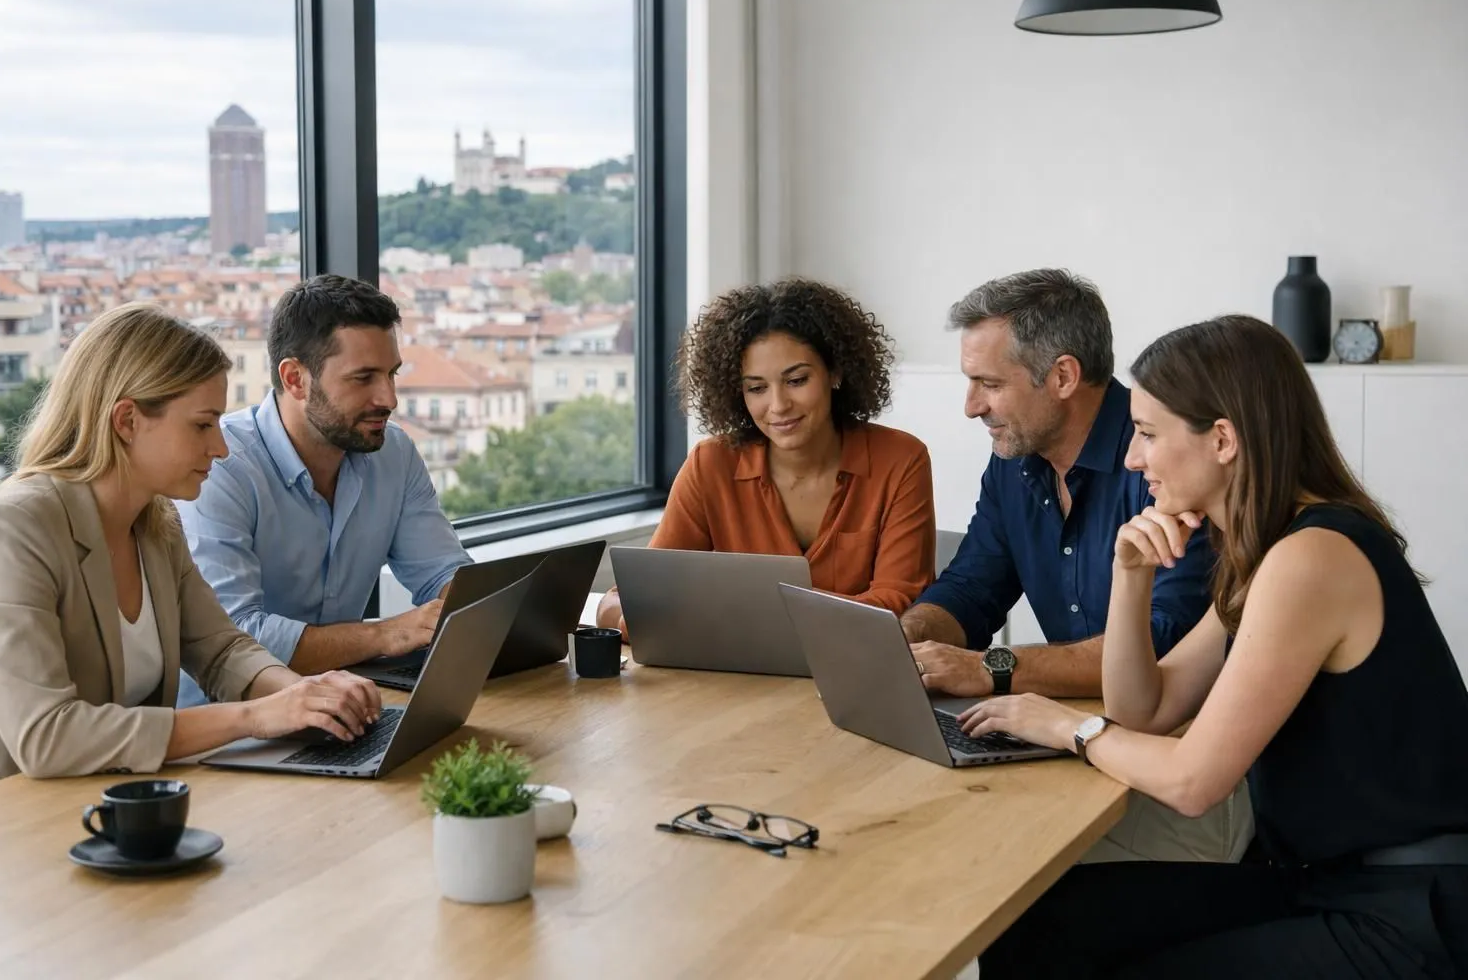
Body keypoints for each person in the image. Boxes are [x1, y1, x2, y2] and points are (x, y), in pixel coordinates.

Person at [968, 315, 1468, 978]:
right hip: (1319, 883)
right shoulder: (1267, 555)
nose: (1132, 458)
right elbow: (1145, 708)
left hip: (1410, 912)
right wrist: (1130, 576)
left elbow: (1193, 782)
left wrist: (1062, 725)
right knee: (1038, 921)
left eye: (1147, 434)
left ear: (1223, 440)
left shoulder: (1312, 557)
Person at [0, 304, 381, 800]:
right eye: (202, 425)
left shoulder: (155, 524)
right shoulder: (10, 531)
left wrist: (303, 697)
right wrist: (254, 717)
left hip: (102, 801)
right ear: (127, 420)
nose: (221, 449)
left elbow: (222, 650)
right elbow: (46, 737)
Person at [897, 269, 1247, 864]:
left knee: (980, 856)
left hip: (1183, 763)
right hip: (1092, 743)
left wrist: (993, 668)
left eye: (988, 383)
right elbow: (974, 584)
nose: (970, 407)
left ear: (1062, 376)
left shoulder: (1167, 464)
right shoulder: (1015, 460)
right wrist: (910, 638)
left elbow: (1163, 645)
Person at [175, 274, 471, 707]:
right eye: (363, 378)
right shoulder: (220, 465)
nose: (388, 398)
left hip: (339, 708)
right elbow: (236, 637)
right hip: (227, 725)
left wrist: (475, 612)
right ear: (296, 379)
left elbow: (444, 575)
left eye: (391, 374)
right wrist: (385, 634)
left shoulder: (395, 453)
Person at [596, 278, 935, 631]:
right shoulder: (710, 464)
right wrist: (631, 615)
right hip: (740, 678)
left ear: (835, 372)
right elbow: (635, 594)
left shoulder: (900, 460)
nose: (778, 406)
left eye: (797, 380)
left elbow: (898, 603)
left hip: (856, 672)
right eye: (756, 388)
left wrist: (732, 614)